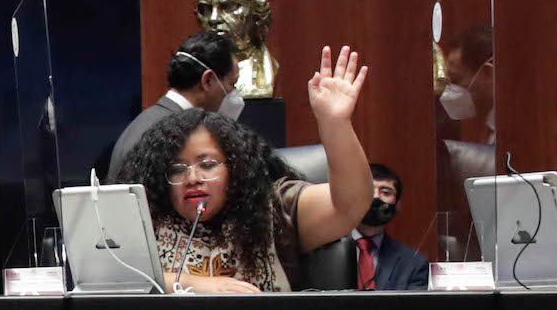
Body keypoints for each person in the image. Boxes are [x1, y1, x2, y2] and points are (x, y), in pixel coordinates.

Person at [112, 46, 374, 292]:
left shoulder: (274, 207)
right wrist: (189, 283)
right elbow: (108, 277)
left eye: (207, 164)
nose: (192, 178)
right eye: (177, 169)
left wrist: (336, 124)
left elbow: (349, 205)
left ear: (236, 166)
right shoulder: (149, 216)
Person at [109, 29, 242, 177]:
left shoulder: (148, 121)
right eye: (232, 84)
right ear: (208, 80)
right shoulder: (172, 133)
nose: (234, 94)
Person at [355, 162, 430, 291]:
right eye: (368, 189)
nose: (375, 197)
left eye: (385, 192)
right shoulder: (323, 253)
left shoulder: (414, 263)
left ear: (397, 205)